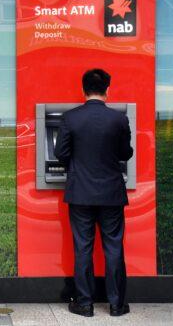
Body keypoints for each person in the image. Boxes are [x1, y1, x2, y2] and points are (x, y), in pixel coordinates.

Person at [54, 68, 133, 318]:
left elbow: (60, 153)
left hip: (80, 193)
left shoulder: (70, 118)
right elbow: (125, 153)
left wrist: (76, 167)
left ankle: (85, 303)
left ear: (83, 90)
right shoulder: (119, 119)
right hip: (111, 192)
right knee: (113, 247)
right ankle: (117, 305)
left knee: (83, 247)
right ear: (108, 90)